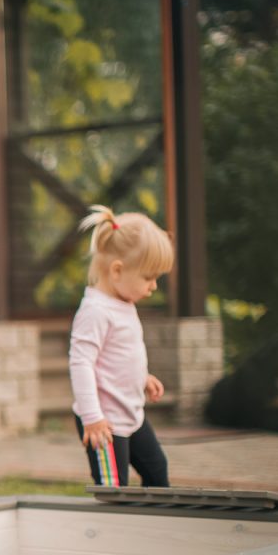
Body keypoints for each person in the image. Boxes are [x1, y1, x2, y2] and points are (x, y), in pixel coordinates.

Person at [69, 205, 175, 488]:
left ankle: (153, 525)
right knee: (114, 486)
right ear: (117, 270)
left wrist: (142, 378)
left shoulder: (123, 302)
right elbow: (81, 363)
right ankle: (114, 529)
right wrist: (92, 418)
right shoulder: (95, 311)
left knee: (157, 469)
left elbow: (120, 355)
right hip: (104, 423)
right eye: (148, 277)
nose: (153, 286)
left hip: (131, 414)